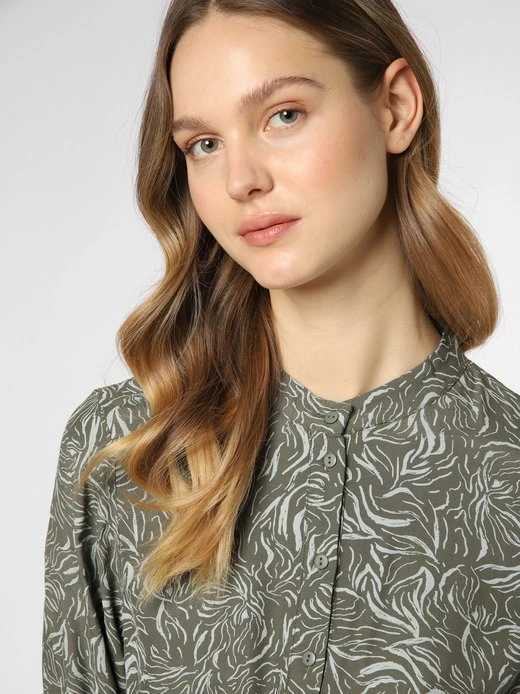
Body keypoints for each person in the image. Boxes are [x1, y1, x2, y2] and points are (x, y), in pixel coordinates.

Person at [42, 1, 520, 692]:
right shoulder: (129, 457)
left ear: (395, 107)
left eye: (283, 115)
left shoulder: (507, 476)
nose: (242, 180)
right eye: (204, 144)